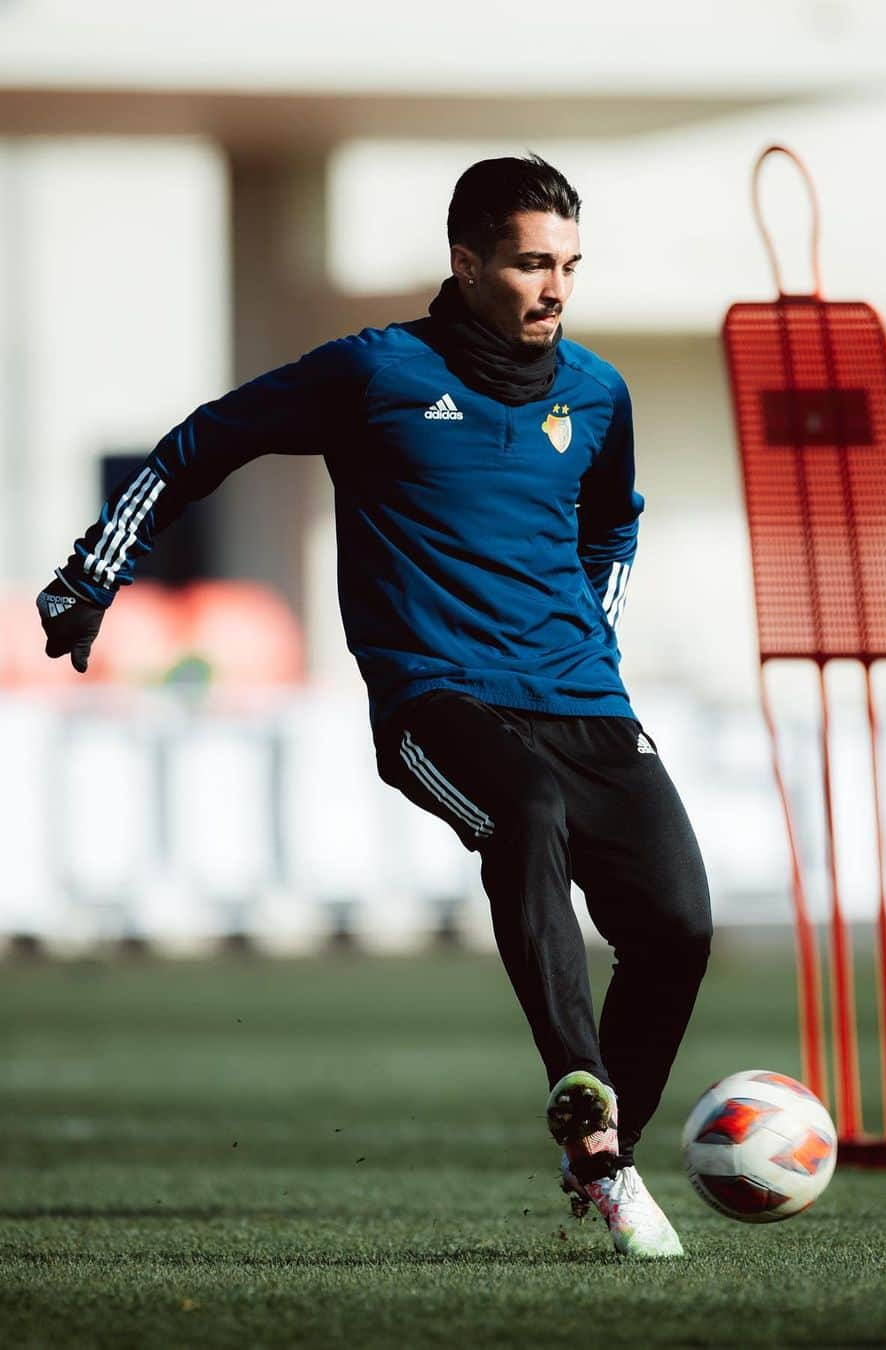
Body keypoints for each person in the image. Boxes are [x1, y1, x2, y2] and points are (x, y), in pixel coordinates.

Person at [36, 154, 713, 1259]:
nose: (555, 289)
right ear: (466, 262)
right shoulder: (376, 374)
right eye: (532, 264)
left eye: (570, 267)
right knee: (526, 812)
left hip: (582, 695)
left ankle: (602, 1155)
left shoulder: (597, 392)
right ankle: (584, 1103)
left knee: (679, 926)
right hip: (436, 699)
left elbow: (615, 524)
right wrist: (94, 571)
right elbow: (205, 441)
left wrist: (595, 631)